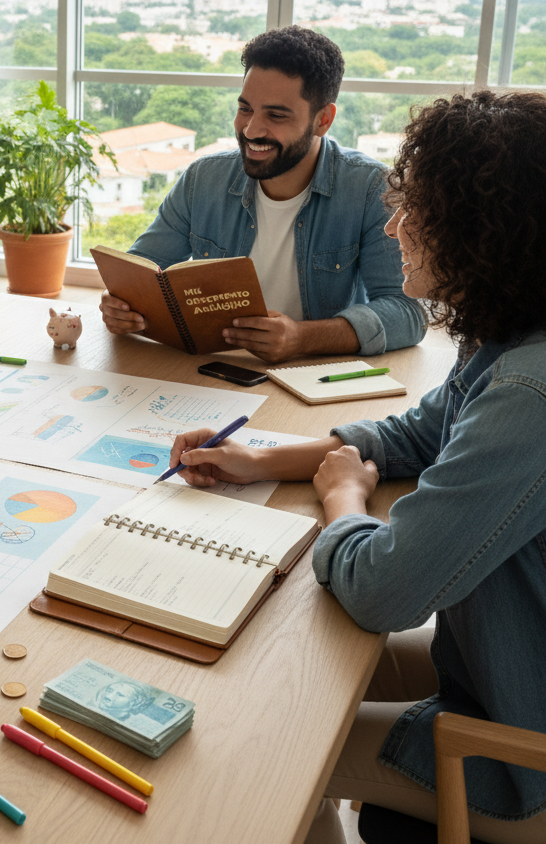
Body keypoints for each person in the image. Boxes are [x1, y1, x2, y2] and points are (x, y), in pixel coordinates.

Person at [169, 89, 546, 842]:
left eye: (417, 212)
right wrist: (260, 458)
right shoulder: (510, 333)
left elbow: (382, 591)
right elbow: (416, 434)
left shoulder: (530, 395)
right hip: (500, 664)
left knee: (269, 746)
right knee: (286, 670)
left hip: (519, 752)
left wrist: (344, 502)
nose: (394, 226)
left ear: (485, 232)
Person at [100, 25, 426, 363]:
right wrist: (122, 307)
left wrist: (301, 339)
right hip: (216, 368)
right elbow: (139, 274)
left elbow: (407, 313)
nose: (252, 129)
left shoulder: (371, 188)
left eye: (276, 115)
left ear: (323, 120)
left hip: (313, 375)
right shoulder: (203, 179)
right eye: (245, 109)